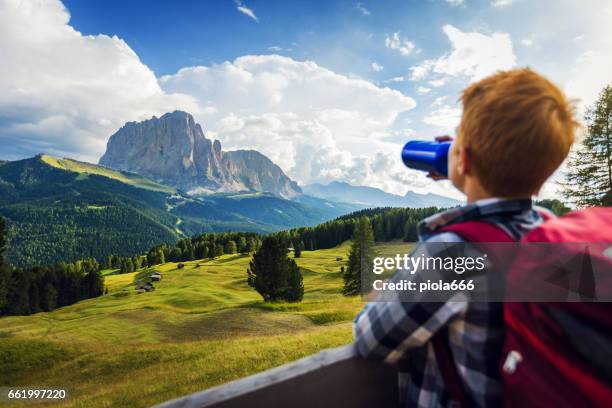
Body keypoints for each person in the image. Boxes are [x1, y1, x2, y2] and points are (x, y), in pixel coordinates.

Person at [353, 68, 578, 407]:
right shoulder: (548, 229)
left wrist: (382, 295)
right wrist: (466, 172)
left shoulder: (454, 253)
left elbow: (372, 338)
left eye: (458, 136)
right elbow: (500, 207)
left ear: (465, 159)